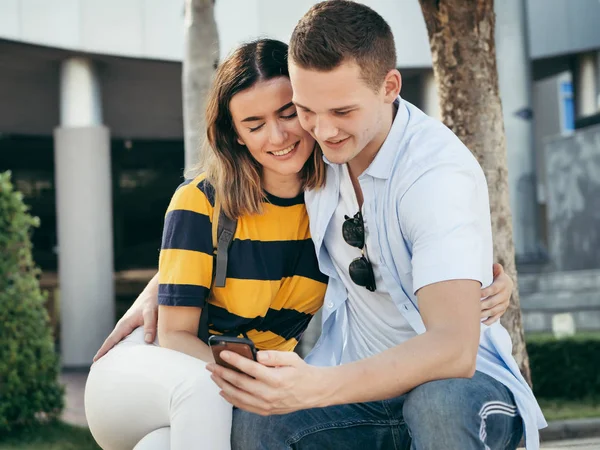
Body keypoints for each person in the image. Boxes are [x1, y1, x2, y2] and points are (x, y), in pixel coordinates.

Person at [88, 32, 513, 450]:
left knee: (162, 445)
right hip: (158, 370)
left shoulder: (327, 193)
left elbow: (415, 238)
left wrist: (487, 278)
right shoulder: (205, 201)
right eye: (254, 125)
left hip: (228, 390)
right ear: (235, 133)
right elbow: (175, 333)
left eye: (289, 113)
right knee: (209, 395)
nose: (277, 137)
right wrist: (159, 287)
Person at [204, 2, 547, 450]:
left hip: (464, 386)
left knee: (436, 406)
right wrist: (163, 287)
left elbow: (454, 349)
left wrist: (315, 387)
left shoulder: (435, 174)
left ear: (389, 87)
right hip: (363, 393)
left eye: (342, 112)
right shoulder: (313, 155)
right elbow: (237, 208)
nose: (323, 131)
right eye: (305, 109)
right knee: (259, 420)